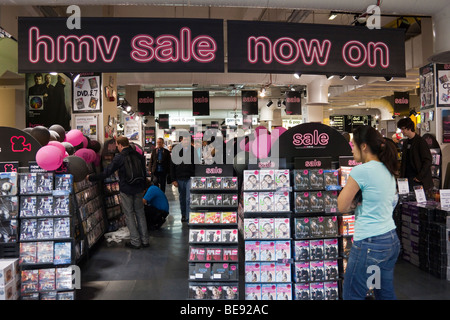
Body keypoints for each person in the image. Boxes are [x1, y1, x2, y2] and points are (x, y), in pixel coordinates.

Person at [337, 125, 400, 300]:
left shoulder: (361, 171)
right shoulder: (388, 168)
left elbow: (341, 206)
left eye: (353, 145)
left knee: (352, 294)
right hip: (389, 241)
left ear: (363, 146)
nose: (352, 149)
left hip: (369, 245)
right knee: (382, 292)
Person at [89, 136, 149, 249]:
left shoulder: (119, 157)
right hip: (139, 188)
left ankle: (136, 242)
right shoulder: (138, 155)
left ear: (120, 145)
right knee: (140, 213)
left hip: (126, 189)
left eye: (117, 146)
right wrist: (144, 187)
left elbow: (107, 172)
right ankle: (145, 240)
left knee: (129, 214)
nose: (117, 148)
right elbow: (144, 173)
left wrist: (92, 177)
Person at [397, 117, 433, 193]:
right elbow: (404, 161)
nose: (402, 131)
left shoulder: (420, 142)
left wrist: (419, 176)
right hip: (408, 179)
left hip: (419, 180)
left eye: (403, 129)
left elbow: (428, 160)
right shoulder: (406, 142)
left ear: (409, 128)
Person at [170, 135, 198, 222]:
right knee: (182, 198)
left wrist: (196, 176)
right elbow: (172, 166)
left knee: (189, 198)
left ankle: (189, 216)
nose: (186, 141)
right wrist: (173, 179)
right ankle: (183, 214)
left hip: (190, 177)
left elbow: (196, 164)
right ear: (181, 140)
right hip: (179, 177)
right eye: (185, 139)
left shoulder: (193, 150)